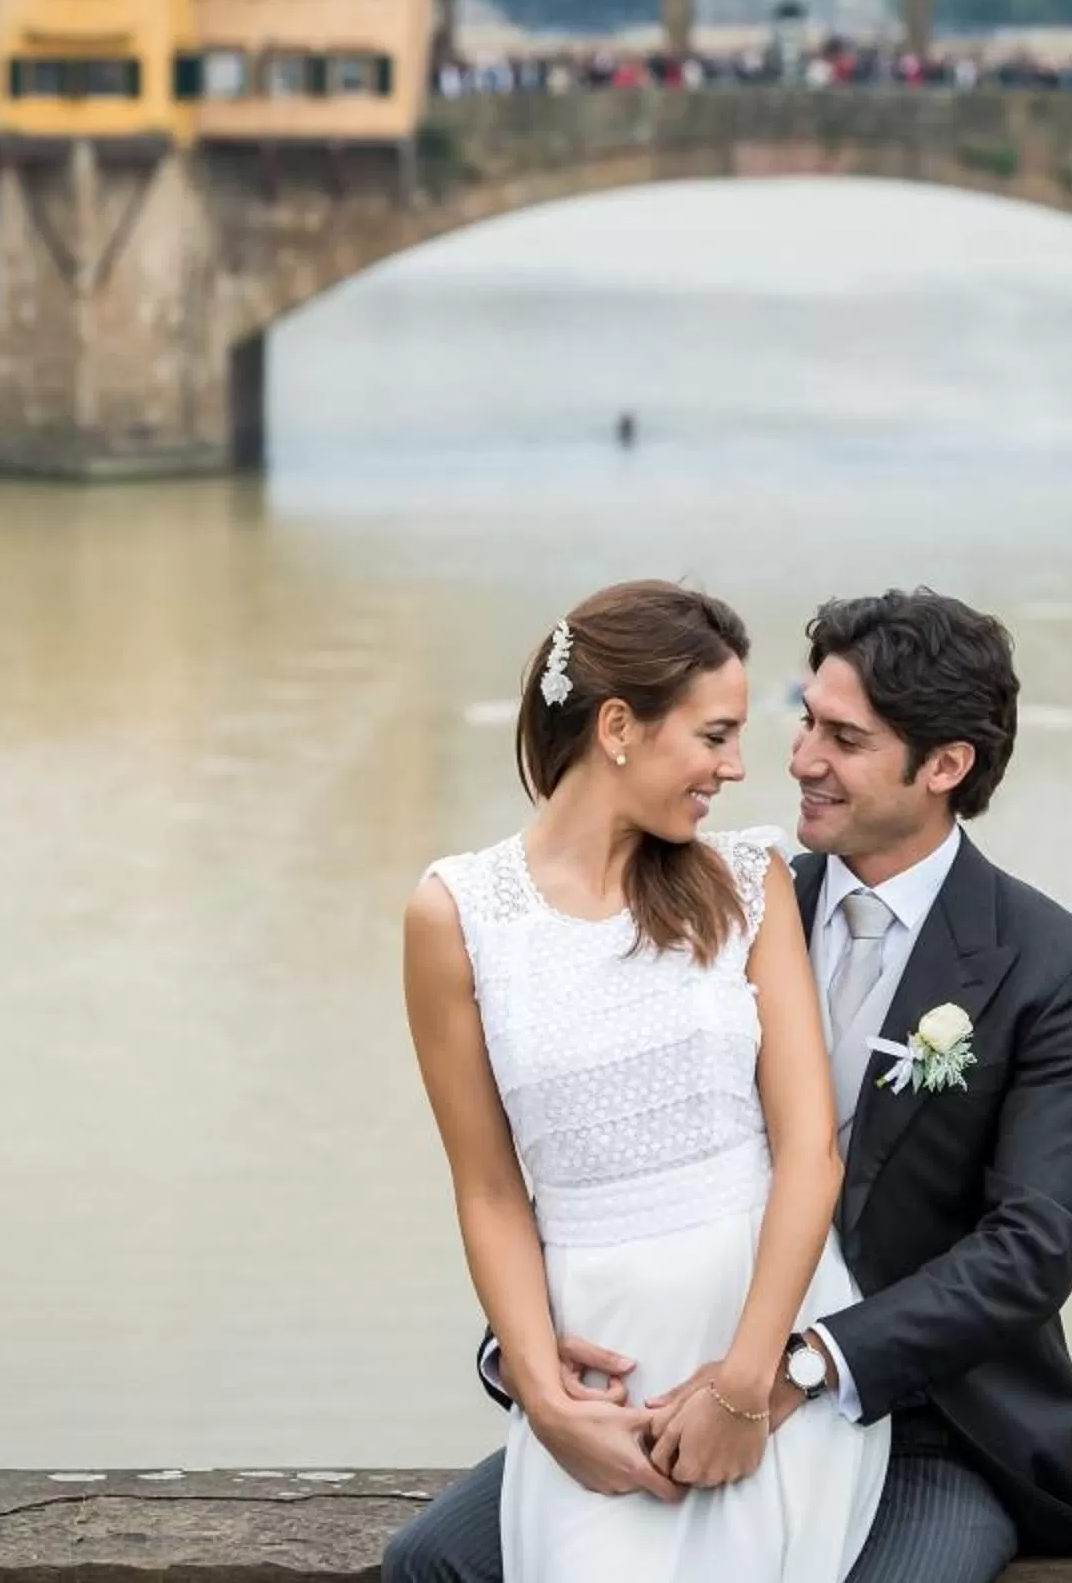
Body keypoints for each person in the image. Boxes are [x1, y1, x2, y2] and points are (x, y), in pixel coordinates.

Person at [387, 588, 1072, 1583]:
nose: (797, 756)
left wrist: (792, 1370)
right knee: (429, 1560)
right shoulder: (729, 883)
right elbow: (589, 1141)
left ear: (943, 765)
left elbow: (1032, 1247)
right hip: (674, 1370)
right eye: (805, 717)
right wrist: (529, 1360)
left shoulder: (1048, 964)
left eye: (843, 737)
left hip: (925, 1415)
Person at [399, 581, 889, 1583]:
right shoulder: (456, 913)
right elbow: (489, 1187)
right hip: (596, 1368)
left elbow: (809, 1151)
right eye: (713, 733)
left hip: (759, 1338)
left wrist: (747, 1386)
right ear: (618, 724)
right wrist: (542, 1393)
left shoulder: (748, 882)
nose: (737, 766)